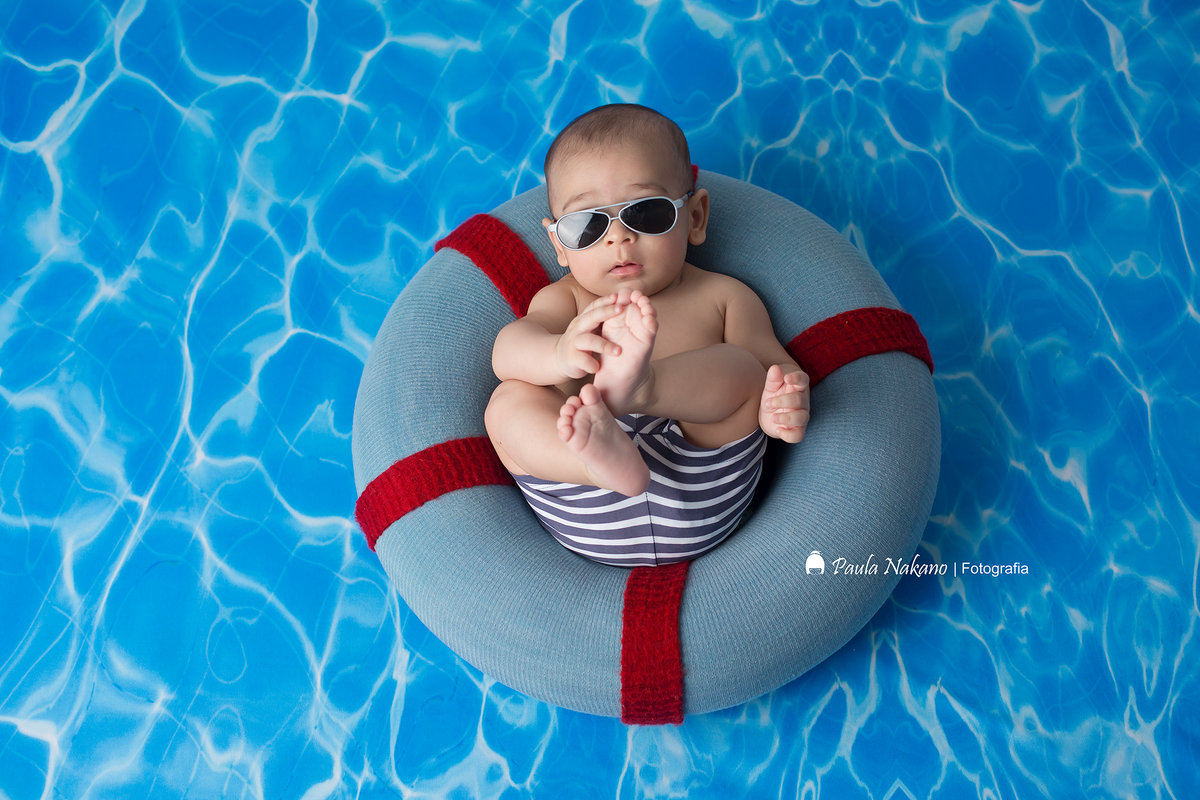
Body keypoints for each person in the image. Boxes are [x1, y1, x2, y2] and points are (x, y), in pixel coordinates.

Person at [484, 104, 810, 567]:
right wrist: (558, 353)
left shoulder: (723, 295)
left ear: (695, 217)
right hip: (581, 489)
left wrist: (785, 401)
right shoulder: (567, 301)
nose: (618, 238)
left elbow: (772, 368)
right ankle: (598, 462)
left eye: (646, 213)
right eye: (587, 225)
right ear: (559, 244)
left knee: (745, 369)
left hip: (704, 481)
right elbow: (506, 352)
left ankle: (642, 388)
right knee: (508, 401)